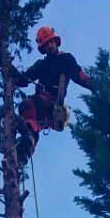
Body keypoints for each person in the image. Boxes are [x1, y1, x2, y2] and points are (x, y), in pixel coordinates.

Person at [13, 26, 93, 165]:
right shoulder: (41, 65)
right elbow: (22, 79)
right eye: (46, 44)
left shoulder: (65, 59)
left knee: (33, 104)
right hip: (40, 105)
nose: (49, 46)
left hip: (53, 103)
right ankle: (24, 151)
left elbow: (78, 75)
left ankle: (28, 137)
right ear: (42, 48)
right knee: (25, 109)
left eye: (51, 42)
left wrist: (95, 85)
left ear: (56, 42)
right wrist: (7, 68)